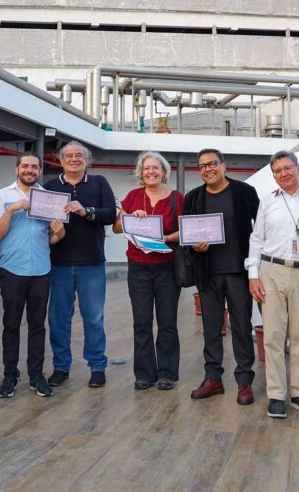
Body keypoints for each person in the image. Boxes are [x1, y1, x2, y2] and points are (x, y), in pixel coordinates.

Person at [246, 150, 299, 418]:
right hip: (271, 270)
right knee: (273, 336)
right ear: (274, 175)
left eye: (288, 168)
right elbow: (256, 239)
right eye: (277, 171)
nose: (283, 173)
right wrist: (253, 275)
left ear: (298, 169)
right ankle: (276, 395)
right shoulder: (267, 202)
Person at [184, 149, 260, 405]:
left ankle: (244, 381)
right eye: (202, 166)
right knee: (211, 327)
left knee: (241, 326)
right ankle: (213, 377)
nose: (208, 169)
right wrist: (194, 246)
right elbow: (187, 233)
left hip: (238, 271)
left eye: (212, 164)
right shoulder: (193, 197)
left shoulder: (244, 192)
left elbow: (261, 229)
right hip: (208, 272)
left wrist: (257, 267)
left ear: (224, 165)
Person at [43, 142, 117, 388]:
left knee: (94, 318)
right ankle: (61, 366)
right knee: (58, 319)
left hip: (91, 262)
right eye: (69, 156)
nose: (74, 159)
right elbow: (41, 219)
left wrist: (87, 211)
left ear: (87, 160)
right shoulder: (50, 186)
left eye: (79, 155)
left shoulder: (99, 182)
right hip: (58, 263)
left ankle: (97, 366)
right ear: (61, 160)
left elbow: (111, 215)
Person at [0, 152, 65, 399]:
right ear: (17, 169)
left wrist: (60, 232)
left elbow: (52, 239)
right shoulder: (3, 195)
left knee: (37, 326)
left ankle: (36, 375)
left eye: (34, 167)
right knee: (11, 325)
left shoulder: (49, 198)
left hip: (41, 270)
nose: (30, 170)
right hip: (12, 269)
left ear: (40, 171)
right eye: (25, 166)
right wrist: (12, 209)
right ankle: (10, 375)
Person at [113, 151, 183, 391]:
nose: (151, 172)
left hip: (167, 267)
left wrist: (165, 237)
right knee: (141, 322)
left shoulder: (176, 198)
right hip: (138, 267)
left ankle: (167, 373)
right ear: (140, 173)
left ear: (164, 172)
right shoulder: (133, 197)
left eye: (155, 168)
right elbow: (116, 227)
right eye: (146, 168)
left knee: (167, 322)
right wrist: (131, 218)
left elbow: (184, 231)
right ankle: (144, 374)